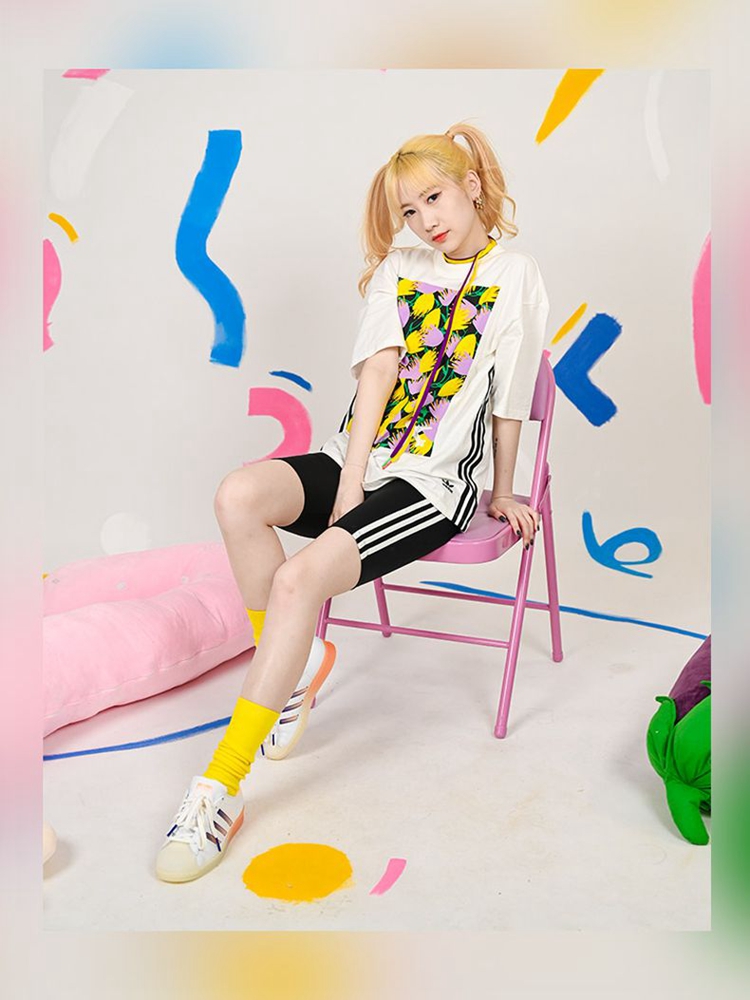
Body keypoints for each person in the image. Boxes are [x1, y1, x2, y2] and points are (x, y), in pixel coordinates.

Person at [155, 120, 550, 882]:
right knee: (238, 495)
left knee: (299, 579)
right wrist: (349, 479)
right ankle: (294, 666)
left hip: (433, 484)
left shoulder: (516, 275)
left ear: (470, 187)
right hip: (359, 460)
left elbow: (509, 398)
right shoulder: (403, 266)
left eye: (434, 199)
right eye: (409, 210)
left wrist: (503, 490)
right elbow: (377, 375)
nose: (424, 220)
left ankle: (220, 788)